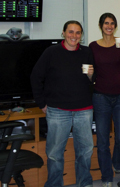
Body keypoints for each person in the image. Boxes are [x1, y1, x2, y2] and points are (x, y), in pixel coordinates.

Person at [31, 20, 95, 187]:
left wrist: (90, 75)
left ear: (81, 35)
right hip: (58, 109)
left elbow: (93, 80)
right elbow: (36, 77)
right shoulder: (51, 52)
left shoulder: (86, 52)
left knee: (85, 152)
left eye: (78, 32)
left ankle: (85, 183)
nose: (74, 36)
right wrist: (41, 103)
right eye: (71, 32)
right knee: (54, 154)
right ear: (63, 33)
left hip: (84, 109)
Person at [89, 13, 120, 187]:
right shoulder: (93, 46)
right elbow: (90, 70)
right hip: (101, 97)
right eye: (106, 23)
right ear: (101, 25)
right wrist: (89, 74)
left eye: (112, 23)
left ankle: (119, 165)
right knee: (103, 140)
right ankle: (107, 176)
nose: (109, 26)